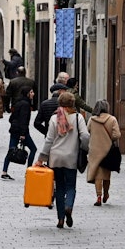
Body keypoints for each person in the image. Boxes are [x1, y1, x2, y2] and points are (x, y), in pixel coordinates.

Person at [36, 91, 90, 229]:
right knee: (71, 186)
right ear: (73, 103)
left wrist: (41, 158)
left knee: (59, 188)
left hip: (55, 158)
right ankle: (68, 206)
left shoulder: (54, 118)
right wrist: (85, 149)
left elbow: (49, 140)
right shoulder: (78, 117)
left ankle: (60, 219)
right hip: (71, 158)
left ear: (59, 103)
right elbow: (85, 137)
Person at [87, 99, 122, 206]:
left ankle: (98, 196)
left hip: (95, 149)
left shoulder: (92, 119)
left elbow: (88, 130)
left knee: (98, 175)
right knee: (106, 174)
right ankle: (106, 193)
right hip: (107, 150)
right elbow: (117, 135)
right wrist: (109, 138)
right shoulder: (112, 119)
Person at [1, 84, 38, 180]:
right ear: (27, 94)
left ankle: (4, 171)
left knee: (11, 150)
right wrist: (22, 133)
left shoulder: (18, 103)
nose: (33, 94)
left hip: (14, 130)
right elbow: (23, 120)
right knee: (33, 149)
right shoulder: (26, 105)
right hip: (21, 131)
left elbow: (11, 118)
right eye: (31, 92)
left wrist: (14, 125)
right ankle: (29, 171)